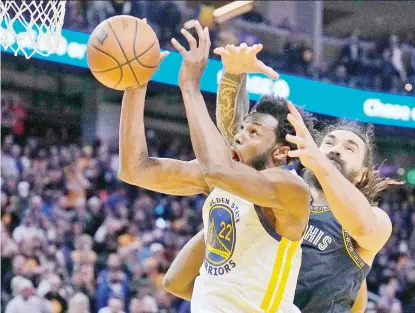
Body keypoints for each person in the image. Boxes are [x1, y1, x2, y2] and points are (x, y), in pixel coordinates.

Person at [118, 20, 315, 313]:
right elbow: (134, 168)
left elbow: (217, 169)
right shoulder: (224, 181)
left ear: (281, 152)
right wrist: (136, 86)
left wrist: (190, 86)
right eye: (242, 127)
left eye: (253, 132)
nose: (239, 135)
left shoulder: (291, 190)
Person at [212, 43, 399, 312]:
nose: (336, 149)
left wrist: (322, 164)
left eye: (349, 148)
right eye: (329, 143)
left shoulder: (375, 219)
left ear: (362, 175)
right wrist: (232, 76)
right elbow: (239, 144)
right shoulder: (282, 191)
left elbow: (366, 229)